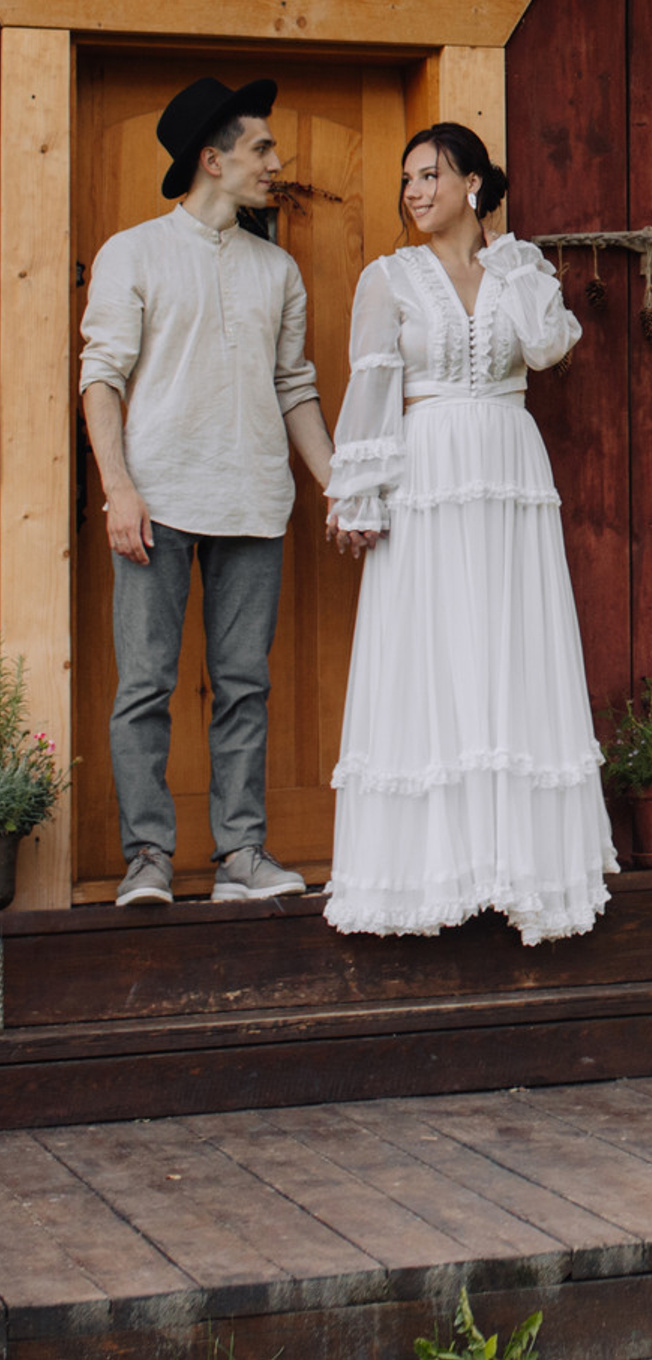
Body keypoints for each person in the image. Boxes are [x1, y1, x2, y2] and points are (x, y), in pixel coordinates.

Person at [323, 122, 616, 942]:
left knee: (510, 646)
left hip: (509, 472)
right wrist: (360, 492)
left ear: (474, 186)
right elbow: (374, 387)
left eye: (431, 176)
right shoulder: (390, 278)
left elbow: (550, 348)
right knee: (433, 649)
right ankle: (426, 874)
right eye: (407, 179)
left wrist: (513, 267)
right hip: (428, 472)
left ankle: (516, 863)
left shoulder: (517, 269)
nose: (415, 191)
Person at [79, 76, 333, 906]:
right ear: (212, 159)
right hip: (156, 502)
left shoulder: (279, 270)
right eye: (262, 148)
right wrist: (118, 489)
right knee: (145, 686)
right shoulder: (133, 252)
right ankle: (147, 858)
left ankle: (241, 858)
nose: (276, 162)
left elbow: (295, 387)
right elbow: (101, 379)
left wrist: (337, 488)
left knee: (244, 685)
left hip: (255, 504)